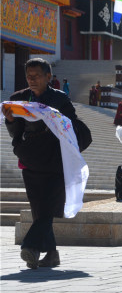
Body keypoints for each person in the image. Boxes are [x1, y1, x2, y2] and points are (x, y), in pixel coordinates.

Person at [2, 58, 92, 269]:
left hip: (55, 159)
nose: (32, 80)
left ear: (48, 77)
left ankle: (31, 246)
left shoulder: (59, 99)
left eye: (37, 76)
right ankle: (51, 255)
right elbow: (16, 132)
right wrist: (11, 121)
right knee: (39, 208)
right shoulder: (19, 99)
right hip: (31, 158)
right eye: (28, 76)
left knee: (49, 207)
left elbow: (71, 126)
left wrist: (56, 119)